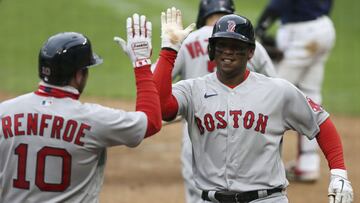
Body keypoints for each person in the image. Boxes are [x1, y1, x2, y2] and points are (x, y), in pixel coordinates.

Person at [154, 7, 353, 203]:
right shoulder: (192, 89)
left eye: (236, 46)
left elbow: (321, 122)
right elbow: (162, 107)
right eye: (222, 45)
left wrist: (338, 173)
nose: (228, 52)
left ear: (250, 52)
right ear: (212, 50)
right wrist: (169, 51)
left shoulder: (278, 91)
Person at [0, 14, 161, 202]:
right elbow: (151, 121)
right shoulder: (94, 119)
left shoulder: (4, 112)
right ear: (78, 75)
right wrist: (141, 63)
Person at [172, 0, 277, 202]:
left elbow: (155, 86)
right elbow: (276, 86)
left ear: (203, 14)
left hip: (198, 129)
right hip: (248, 129)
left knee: (199, 195)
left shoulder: (189, 40)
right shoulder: (248, 44)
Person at [254, 0, 336, 182]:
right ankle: (307, 166)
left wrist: (260, 27)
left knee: (270, 95)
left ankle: (257, 166)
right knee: (310, 93)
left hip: (300, 33)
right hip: (324, 28)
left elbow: (277, 5)